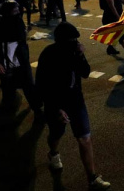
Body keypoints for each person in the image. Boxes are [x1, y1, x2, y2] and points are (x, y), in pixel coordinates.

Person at [36, 22, 110, 190]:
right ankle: (53, 153)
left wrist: (81, 55)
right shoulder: (48, 55)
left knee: (84, 138)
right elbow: (42, 85)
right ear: (60, 41)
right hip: (56, 101)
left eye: (76, 40)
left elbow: (85, 72)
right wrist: (56, 109)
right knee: (56, 133)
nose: (75, 43)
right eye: (71, 40)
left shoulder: (74, 52)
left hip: (75, 99)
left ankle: (92, 178)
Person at [0, 0, 42, 117]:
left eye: (18, 9)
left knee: (29, 86)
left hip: (21, 61)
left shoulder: (18, 22)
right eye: (15, 10)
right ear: (7, 12)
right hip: (7, 64)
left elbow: (21, 41)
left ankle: (37, 110)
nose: (18, 12)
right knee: (9, 88)